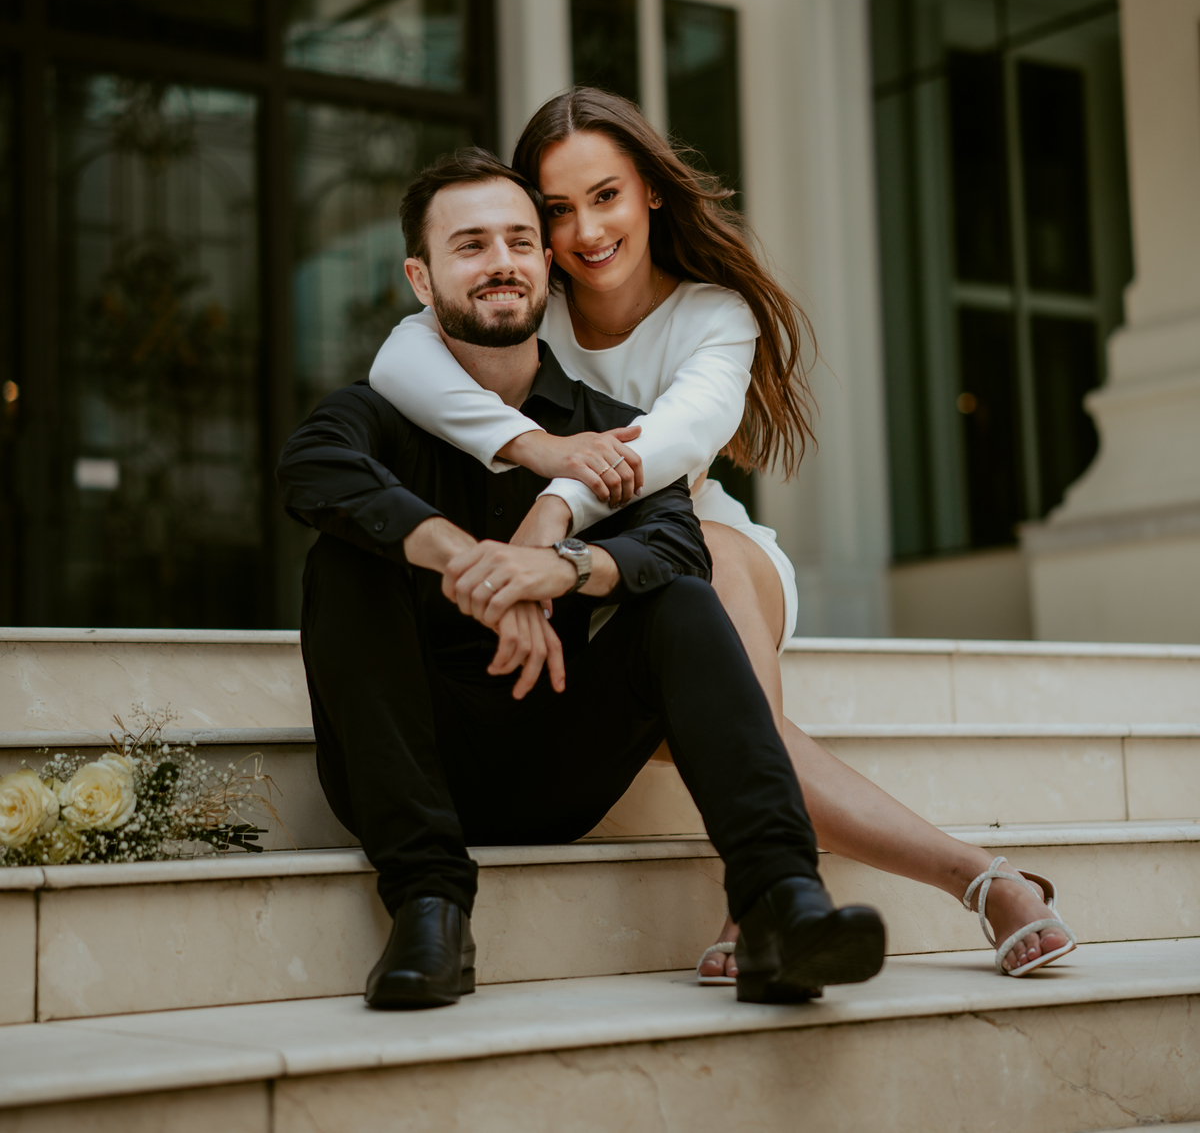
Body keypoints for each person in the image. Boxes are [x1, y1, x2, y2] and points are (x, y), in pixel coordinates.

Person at [368, 89, 1077, 981]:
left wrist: (549, 513)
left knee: (713, 578)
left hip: (689, 546)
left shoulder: (713, 315)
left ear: (651, 193)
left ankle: (767, 895)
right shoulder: (526, 296)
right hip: (582, 591)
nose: (585, 230)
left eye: (607, 195)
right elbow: (397, 359)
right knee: (753, 740)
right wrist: (544, 453)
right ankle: (978, 878)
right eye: (555, 210)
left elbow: (668, 446)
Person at [277, 147, 886, 1010]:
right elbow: (309, 470)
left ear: (546, 267)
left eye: (522, 242)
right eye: (472, 245)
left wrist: (558, 570)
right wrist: (471, 560)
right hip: (407, 767)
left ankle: (780, 901)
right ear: (422, 278)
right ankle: (430, 910)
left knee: (681, 590)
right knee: (343, 559)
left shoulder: (608, 433)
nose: (502, 263)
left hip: (555, 758)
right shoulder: (375, 416)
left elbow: (674, 539)